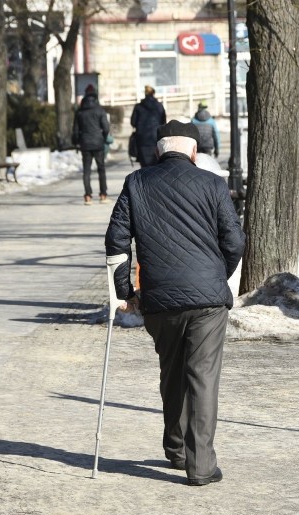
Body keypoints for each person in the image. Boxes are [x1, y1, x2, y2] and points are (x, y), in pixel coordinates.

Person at [105, 120, 245, 486]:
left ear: (158, 150)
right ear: (194, 152)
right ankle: (199, 466)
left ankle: (177, 448)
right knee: (202, 376)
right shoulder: (214, 184)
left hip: (160, 299)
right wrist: (218, 275)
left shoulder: (137, 183)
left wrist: (126, 293)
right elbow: (235, 242)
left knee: (172, 371)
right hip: (208, 301)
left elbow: (116, 241)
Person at [73, 84, 111, 204]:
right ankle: (103, 195)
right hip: (98, 143)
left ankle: (88, 196)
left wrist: (76, 142)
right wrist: (104, 137)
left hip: (85, 144)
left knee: (86, 170)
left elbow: (75, 130)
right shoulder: (99, 110)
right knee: (101, 169)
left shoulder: (80, 111)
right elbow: (106, 127)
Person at [130, 85, 167, 168]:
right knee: (156, 164)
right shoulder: (159, 106)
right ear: (153, 93)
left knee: (144, 166)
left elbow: (133, 122)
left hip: (142, 139)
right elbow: (163, 123)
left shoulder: (138, 107)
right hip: (155, 139)